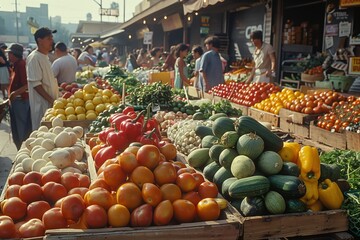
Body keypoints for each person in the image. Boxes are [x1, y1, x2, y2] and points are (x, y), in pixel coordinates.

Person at [26, 27, 59, 130]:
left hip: (50, 105)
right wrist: (52, 100)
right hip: (41, 106)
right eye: (49, 38)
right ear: (40, 41)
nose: (52, 41)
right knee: (42, 133)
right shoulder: (34, 58)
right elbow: (36, 85)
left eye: (52, 38)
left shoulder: (45, 57)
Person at [6, 43, 32, 150]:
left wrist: (14, 93)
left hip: (21, 101)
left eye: (9, 53)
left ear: (14, 54)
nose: (8, 56)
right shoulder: (15, 65)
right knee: (16, 129)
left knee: (21, 130)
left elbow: (27, 84)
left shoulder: (21, 65)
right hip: (16, 102)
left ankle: (23, 151)